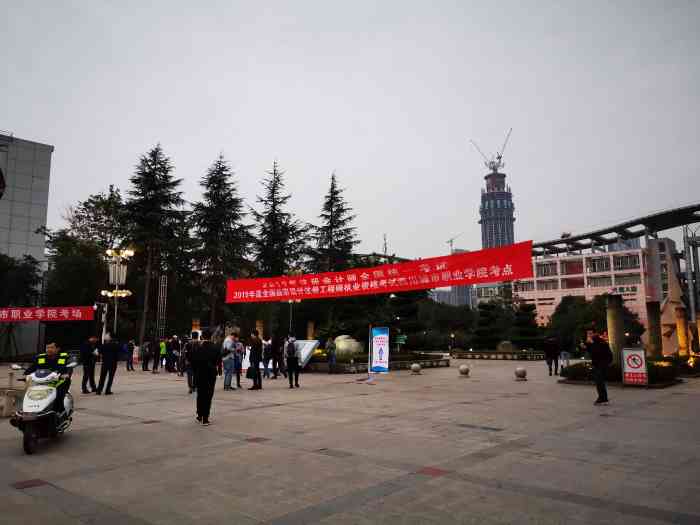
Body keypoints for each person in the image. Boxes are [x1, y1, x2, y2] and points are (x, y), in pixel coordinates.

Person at [25, 342, 72, 413]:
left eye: (52, 347)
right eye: (47, 348)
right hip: (41, 382)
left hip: (59, 381)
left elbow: (69, 367)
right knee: (32, 394)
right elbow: (32, 368)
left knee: (59, 396)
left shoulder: (64, 357)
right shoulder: (40, 357)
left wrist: (66, 374)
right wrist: (25, 374)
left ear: (57, 349)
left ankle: (60, 413)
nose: (49, 349)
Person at [191, 329, 219, 425]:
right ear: (211, 337)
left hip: (199, 373)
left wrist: (195, 371)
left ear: (202, 336)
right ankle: (205, 418)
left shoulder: (197, 347)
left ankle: (199, 414)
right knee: (208, 395)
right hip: (210, 373)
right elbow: (218, 361)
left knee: (200, 394)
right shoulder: (215, 347)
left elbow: (193, 361)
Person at [585, 329, 613, 405]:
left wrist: (591, 344)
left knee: (599, 381)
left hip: (602, 364)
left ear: (595, 333)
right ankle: (603, 398)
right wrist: (587, 345)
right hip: (597, 364)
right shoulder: (594, 342)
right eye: (588, 334)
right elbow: (591, 353)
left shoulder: (599, 341)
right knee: (599, 382)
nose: (589, 335)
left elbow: (598, 352)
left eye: (590, 333)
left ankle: (602, 398)